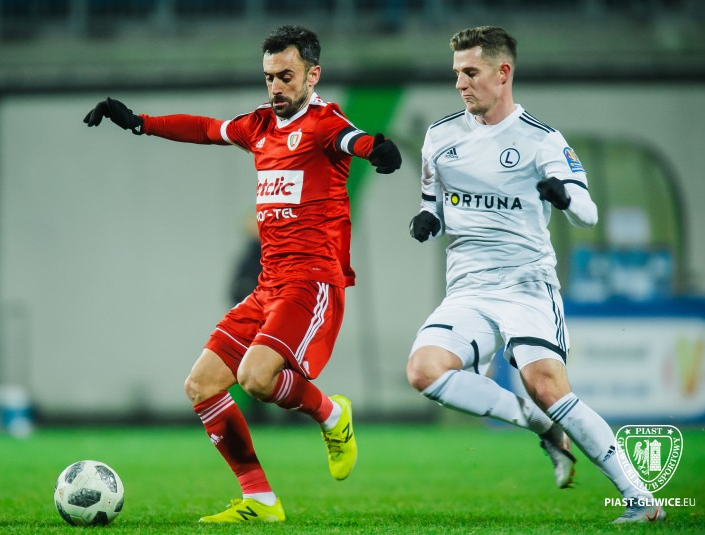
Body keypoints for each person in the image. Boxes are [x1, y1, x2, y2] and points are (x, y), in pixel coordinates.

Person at [83, 25, 402, 523]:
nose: (276, 86)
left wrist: (376, 150)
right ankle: (261, 499)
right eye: (269, 77)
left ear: (313, 76)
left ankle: (331, 414)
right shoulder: (259, 126)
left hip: (311, 280)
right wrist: (140, 123)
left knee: (255, 378)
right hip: (268, 285)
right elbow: (206, 129)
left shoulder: (324, 123)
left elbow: (353, 140)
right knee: (201, 385)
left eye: (286, 76)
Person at [405, 26, 665, 524]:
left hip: (526, 286)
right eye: (456, 73)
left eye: (471, 72)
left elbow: (587, 213)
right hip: (469, 288)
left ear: (503, 73)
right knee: (423, 370)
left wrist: (563, 196)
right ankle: (541, 426)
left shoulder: (541, 140)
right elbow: (432, 202)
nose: (460, 83)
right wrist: (427, 220)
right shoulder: (439, 136)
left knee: (545, 385)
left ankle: (641, 499)